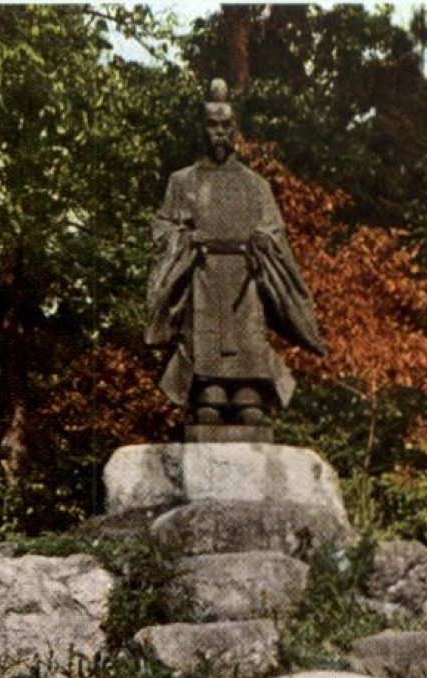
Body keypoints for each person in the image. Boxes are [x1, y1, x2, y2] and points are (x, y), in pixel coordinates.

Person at [145, 79, 325, 427]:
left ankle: (249, 391)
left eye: (226, 125)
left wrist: (263, 241)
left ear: (235, 129)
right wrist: (186, 240)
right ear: (202, 129)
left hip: (246, 274)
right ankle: (207, 390)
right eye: (212, 125)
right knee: (202, 335)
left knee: (248, 333)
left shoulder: (256, 185)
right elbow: (163, 228)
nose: (219, 133)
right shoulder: (182, 181)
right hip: (202, 271)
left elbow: (274, 229)